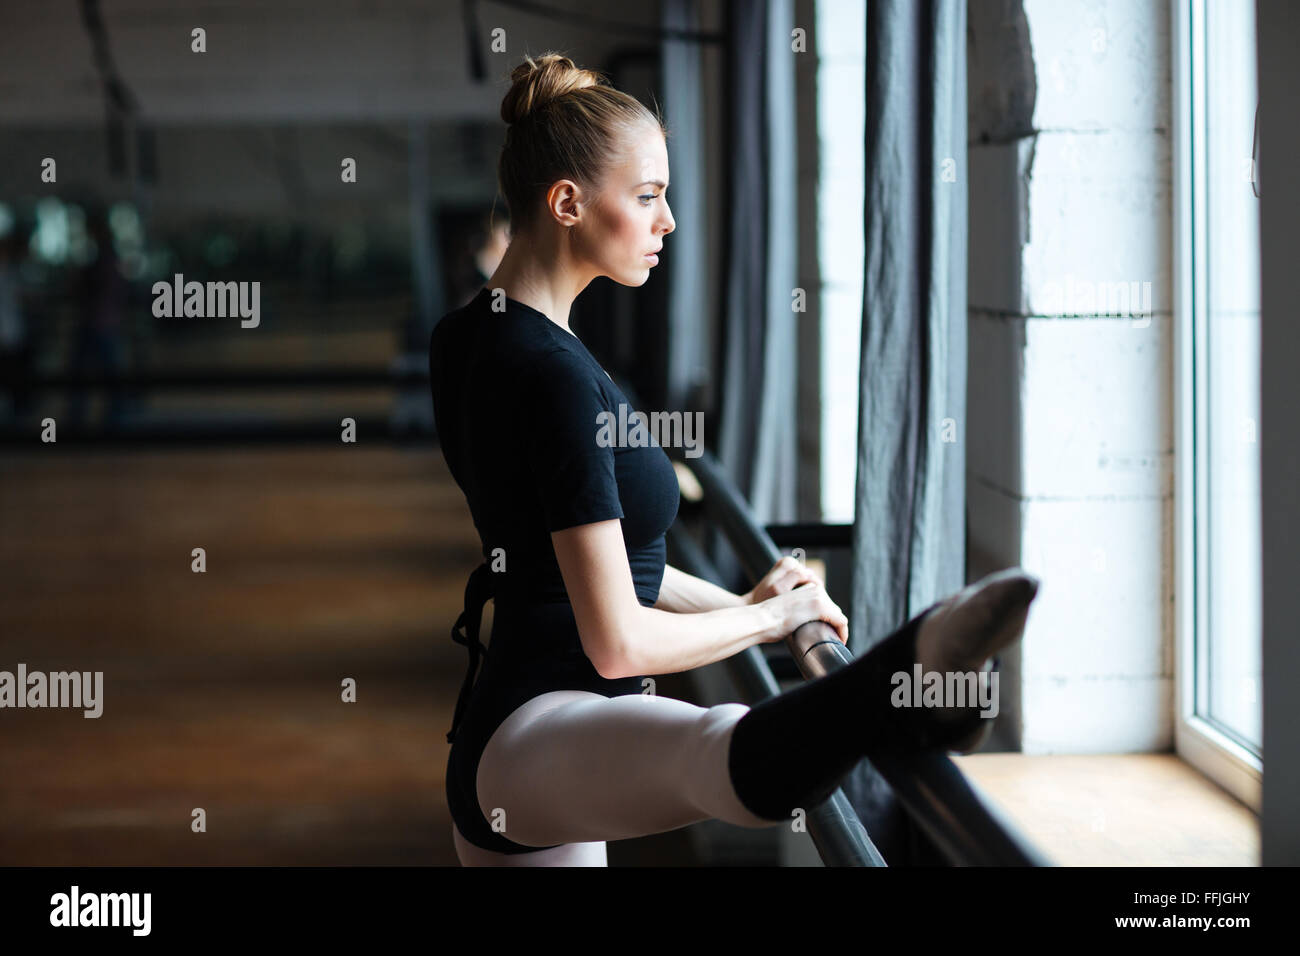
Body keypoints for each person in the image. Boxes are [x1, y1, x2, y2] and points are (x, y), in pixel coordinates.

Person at [429, 52, 1041, 867]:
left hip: (528, 737)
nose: (668, 220)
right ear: (568, 202)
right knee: (719, 753)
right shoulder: (553, 375)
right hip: (544, 727)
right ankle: (909, 673)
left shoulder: (468, 336)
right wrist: (774, 617)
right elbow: (617, 640)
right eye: (648, 196)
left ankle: (907, 685)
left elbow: (589, 559)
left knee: (717, 751)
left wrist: (739, 599)